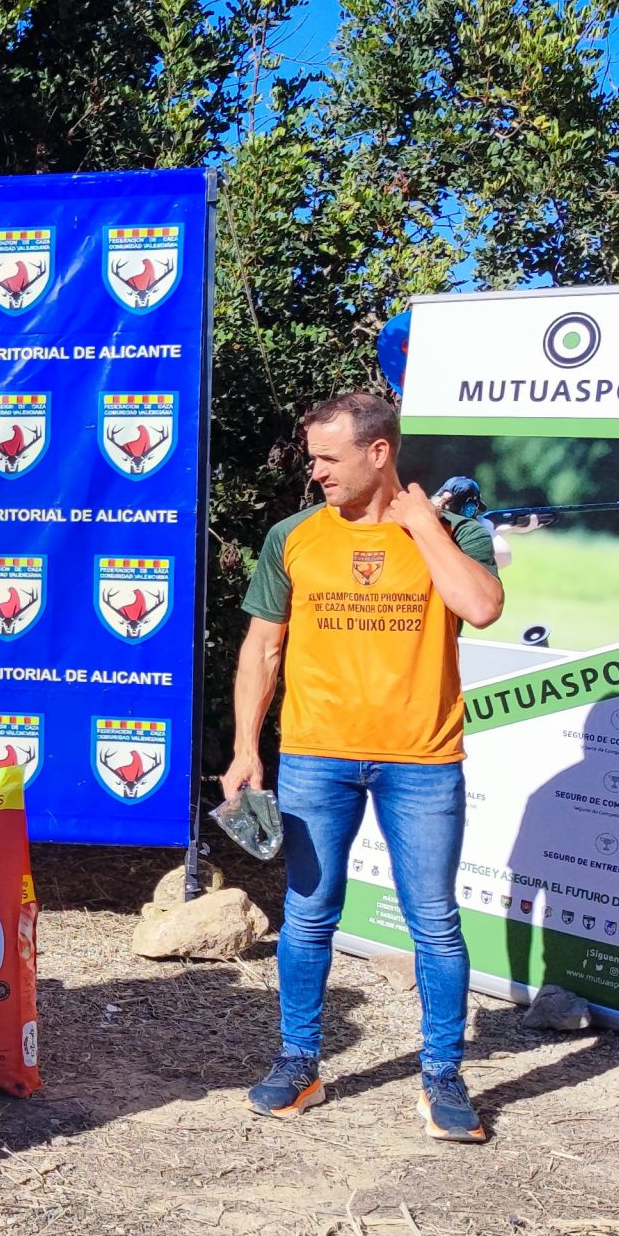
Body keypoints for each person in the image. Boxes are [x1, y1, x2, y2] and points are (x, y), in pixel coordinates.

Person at [219, 390, 505, 1142]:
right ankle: (299, 1061)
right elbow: (263, 648)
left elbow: (480, 607)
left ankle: (442, 1073)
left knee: (434, 922)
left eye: (328, 458)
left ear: (380, 453)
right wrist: (246, 748)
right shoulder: (292, 536)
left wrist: (425, 526)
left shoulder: (454, 532)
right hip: (315, 755)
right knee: (309, 914)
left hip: (423, 758)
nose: (315, 471)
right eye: (313, 457)